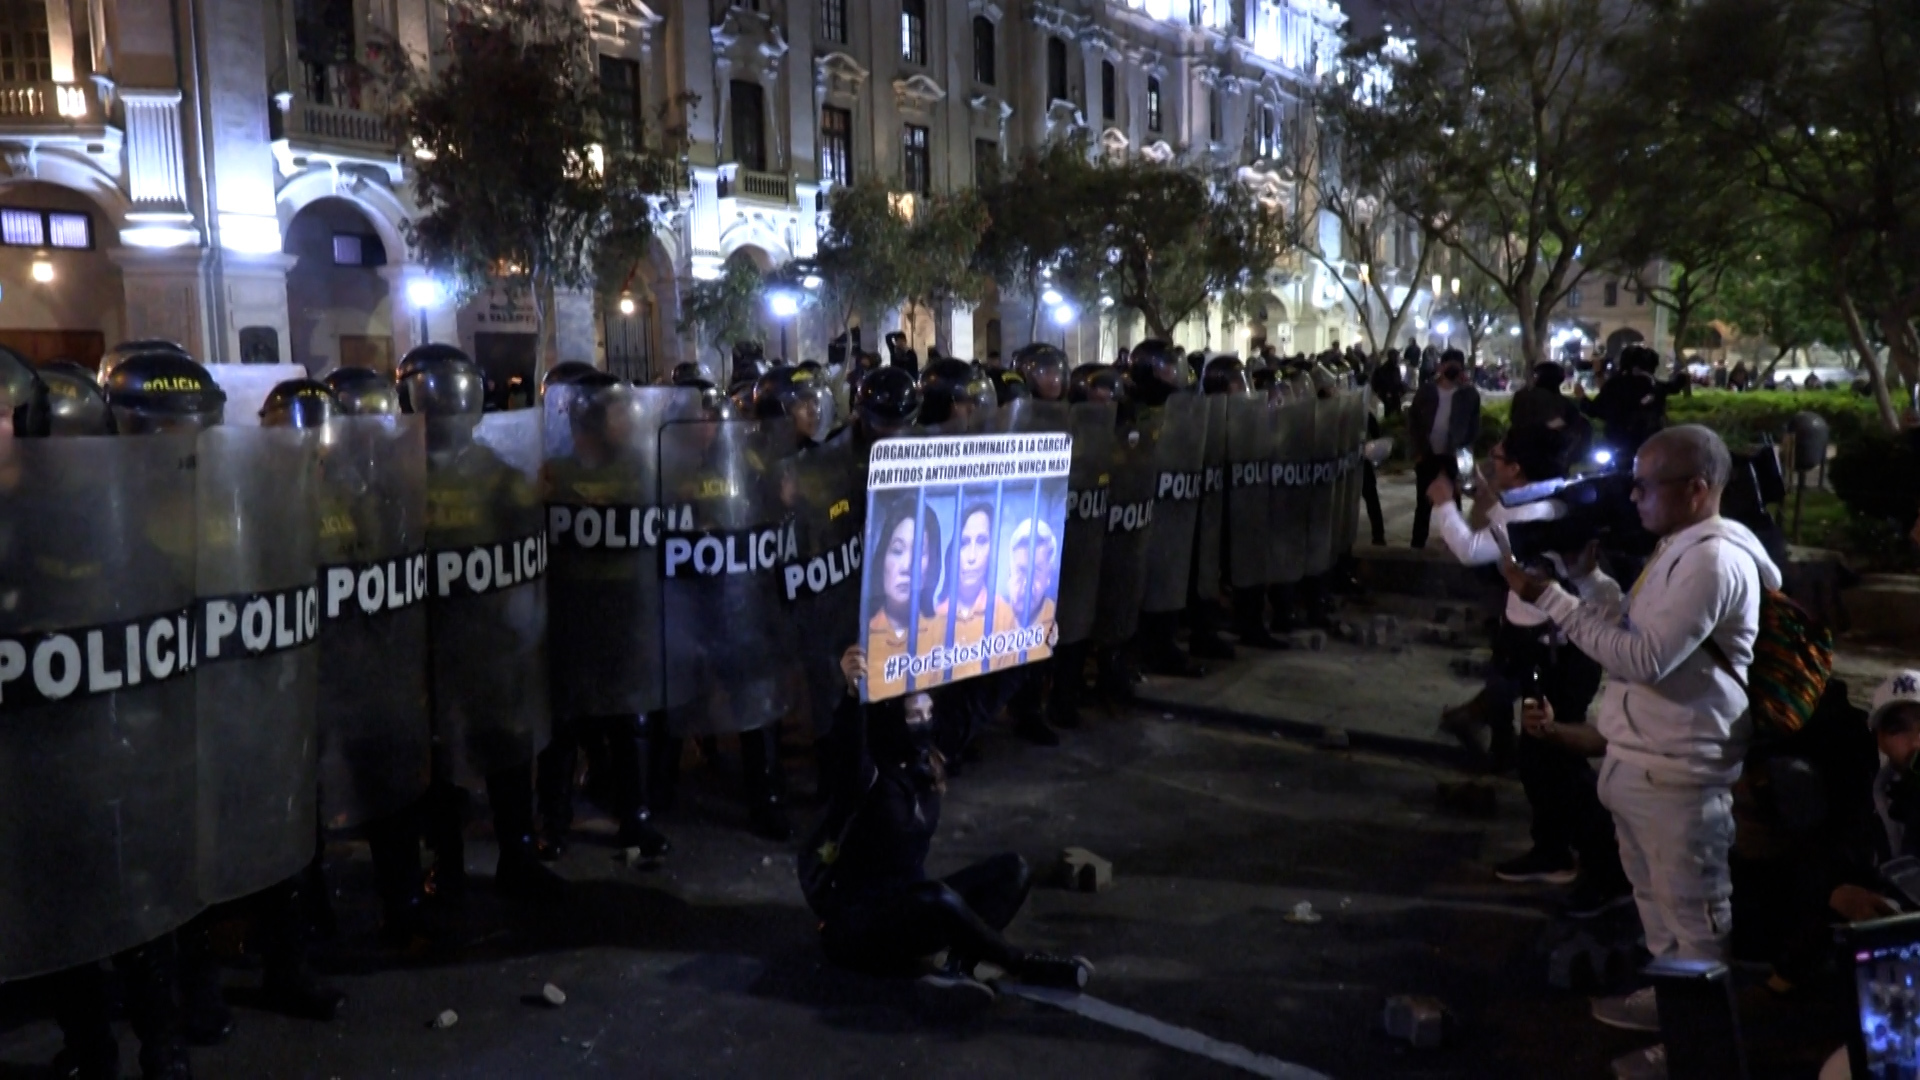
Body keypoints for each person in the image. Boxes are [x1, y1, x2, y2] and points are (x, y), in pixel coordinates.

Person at [1500, 424, 1782, 1059]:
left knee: (1694, 920)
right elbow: (1633, 634)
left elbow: (1645, 658)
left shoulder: (1711, 560)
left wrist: (1554, 600)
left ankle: (1696, 1055)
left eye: (1645, 486)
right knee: (1659, 907)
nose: (1632, 497)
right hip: (1644, 763)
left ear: (1697, 489)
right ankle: (1670, 1009)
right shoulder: (1676, 548)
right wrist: (1576, 591)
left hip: (1680, 774)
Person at [802, 646, 1093, 1012]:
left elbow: (978, 703)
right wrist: (852, 694)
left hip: (910, 910)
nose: (924, 723)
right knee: (935, 897)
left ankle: (957, 967)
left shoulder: (928, 758)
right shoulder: (867, 772)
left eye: (928, 713)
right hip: (857, 928)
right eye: (914, 716)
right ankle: (1023, 964)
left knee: (1012, 870)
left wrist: (1031, 649)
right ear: (891, 720)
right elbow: (847, 743)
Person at [1427, 426, 1628, 915]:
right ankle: (1556, 849)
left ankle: (1600, 863)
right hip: (1549, 642)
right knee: (1541, 753)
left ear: (1517, 467)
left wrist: (1443, 504)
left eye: (1498, 457)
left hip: (1557, 647)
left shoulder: (1530, 513)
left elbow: (1472, 549)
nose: (1491, 463)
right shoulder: (1550, 499)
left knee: (1553, 757)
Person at [863, 498, 945, 700]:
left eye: (919, 552)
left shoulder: (945, 633)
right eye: (897, 550)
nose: (907, 566)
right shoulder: (863, 636)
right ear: (882, 558)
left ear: (932, 564)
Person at [1406, 349, 1481, 549]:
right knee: (1423, 503)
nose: (1452, 369)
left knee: (1453, 502)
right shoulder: (1427, 391)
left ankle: (1456, 545)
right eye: (1449, 365)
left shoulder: (1469, 394)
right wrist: (1417, 451)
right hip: (1427, 454)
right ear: (1441, 366)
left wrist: (1466, 457)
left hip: (1453, 456)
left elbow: (1474, 427)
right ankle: (1417, 545)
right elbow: (1413, 422)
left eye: (1457, 365)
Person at [1369, 348, 1407, 416]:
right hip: (1388, 396)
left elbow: (1398, 381)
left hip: (1393, 396)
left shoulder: (1395, 369)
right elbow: (1377, 383)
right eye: (1397, 357)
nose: (1399, 359)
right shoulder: (1382, 370)